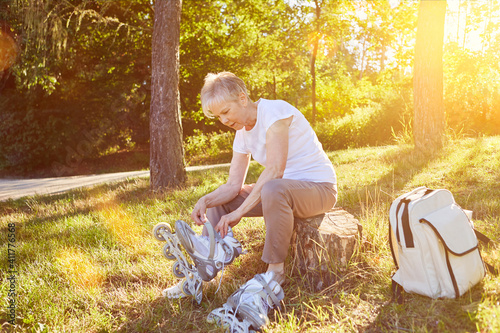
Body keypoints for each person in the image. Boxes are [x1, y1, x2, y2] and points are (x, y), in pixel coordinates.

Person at [190, 71, 338, 284]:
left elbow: (275, 170)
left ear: (242, 98)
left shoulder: (274, 112)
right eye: (218, 116)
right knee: (220, 200)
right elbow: (233, 185)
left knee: (272, 188)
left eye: (225, 111)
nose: (223, 120)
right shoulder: (241, 133)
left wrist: (240, 212)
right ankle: (205, 260)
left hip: (319, 189)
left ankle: (275, 273)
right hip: (283, 192)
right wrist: (206, 200)